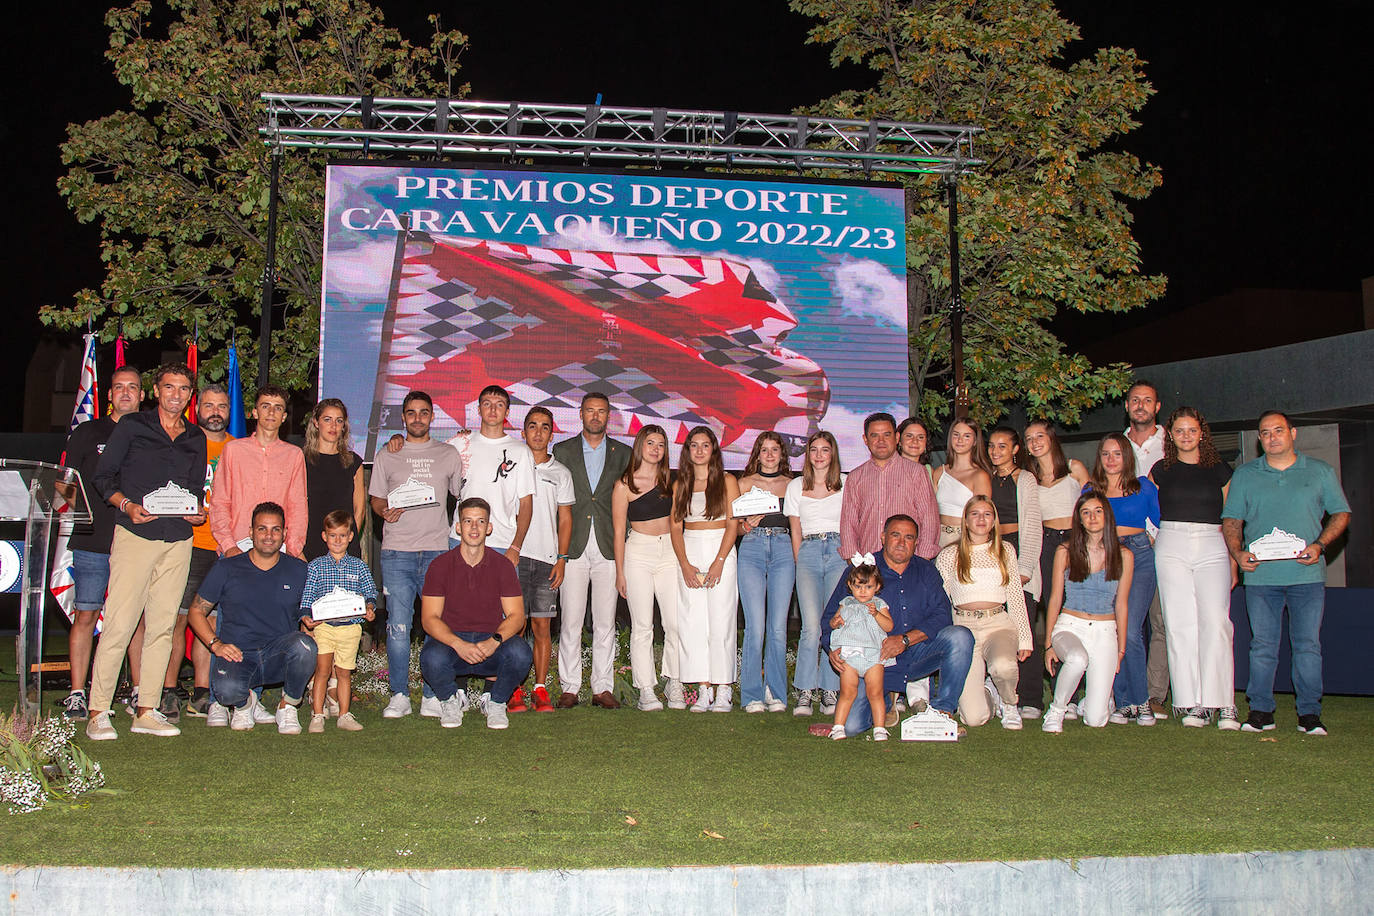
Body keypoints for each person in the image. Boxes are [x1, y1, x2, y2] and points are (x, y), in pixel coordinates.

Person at [85, 363, 206, 741]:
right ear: (156, 390)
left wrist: (196, 513)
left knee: (162, 627)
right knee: (119, 624)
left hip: (177, 540)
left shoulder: (195, 437)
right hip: (136, 535)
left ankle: (146, 710)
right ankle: (98, 711)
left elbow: (193, 491)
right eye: (169, 387)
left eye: (184, 389)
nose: (176, 395)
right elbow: (103, 478)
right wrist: (126, 506)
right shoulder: (133, 426)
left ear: (190, 395)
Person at [1222, 410, 1350, 736]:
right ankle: (1261, 712)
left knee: (1307, 646)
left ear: (1293, 433)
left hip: (1306, 576)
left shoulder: (1320, 471)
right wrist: (1238, 553)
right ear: (1259, 439)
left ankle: (1309, 714)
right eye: (1265, 433)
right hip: (1262, 578)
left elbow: (1341, 514)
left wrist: (1320, 544)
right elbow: (1232, 521)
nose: (1272, 437)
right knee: (1262, 645)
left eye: (1278, 430)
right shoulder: (1246, 475)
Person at [821, 515, 974, 738]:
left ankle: (942, 711)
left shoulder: (926, 570)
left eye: (909, 537)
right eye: (895, 535)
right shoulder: (863, 571)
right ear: (883, 537)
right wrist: (832, 648)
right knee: (852, 726)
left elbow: (942, 615)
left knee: (960, 637)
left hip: (916, 652)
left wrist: (904, 640)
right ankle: (887, 697)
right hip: (874, 661)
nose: (901, 542)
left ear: (916, 543)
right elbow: (829, 619)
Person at [368, 390, 464, 719]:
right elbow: (376, 500)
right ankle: (399, 694)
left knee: (435, 625)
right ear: (404, 417)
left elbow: (461, 493)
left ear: (432, 416)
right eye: (411, 413)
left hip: (438, 550)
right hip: (397, 552)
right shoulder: (387, 454)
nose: (418, 418)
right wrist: (384, 511)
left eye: (424, 413)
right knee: (397, 626)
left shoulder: (448, 453)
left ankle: (432, 695)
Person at [57, 365, 145, 721]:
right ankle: (78, 693)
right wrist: (83, 513)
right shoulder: (88, 432)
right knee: (86, 613)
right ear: (108, 395)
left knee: (138, 619)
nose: (125, 393)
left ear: (142, 395)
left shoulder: (151, 435)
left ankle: (141, 692)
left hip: (138, 540)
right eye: (119, 387)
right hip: (94, 540)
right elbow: (64, 482)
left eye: (133, 388)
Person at [188, 501, 316, 735]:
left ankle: (288, 706)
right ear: (250, 532)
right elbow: (196, 612)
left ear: (285, 533)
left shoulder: (299, 570)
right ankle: (246, 704)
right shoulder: (227, 567)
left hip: (278, 656)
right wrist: (215, 645)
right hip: (238, 656)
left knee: (306, 646)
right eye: (262, 529)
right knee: (226, 690)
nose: (269, 535)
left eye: (276, 529)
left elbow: (313, 612)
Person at [1150, 407, 1239, 729]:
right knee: (1178, 623)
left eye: (1191, 430)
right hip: (1171, 544)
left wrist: (1233, 558)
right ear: (1170, 435)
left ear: (1202, 433)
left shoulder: (1220, 470)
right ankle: (1192, 703)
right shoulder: (1160, 471)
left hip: (1212, 544)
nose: (1186, 436)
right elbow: (1148, 510)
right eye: (1179, 431)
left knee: (1216, 622)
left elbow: (1232, 518)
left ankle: (1224, 703)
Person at [418, 498, 534, 730]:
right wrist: (458, 644)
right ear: (458, 527)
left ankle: (496, 702)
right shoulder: (440, 566)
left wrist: (495, 641)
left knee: (521, 653)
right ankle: (450, 700)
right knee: (431, 657)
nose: (474, 528)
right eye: (468, 521)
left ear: (489, 528)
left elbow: (516, 616)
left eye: (480, 522)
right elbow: (429, 618)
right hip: (453, 645)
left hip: (489, 642)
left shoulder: (502, 566)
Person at [553, 392, 632, 709]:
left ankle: (602, 687)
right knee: (570, 620)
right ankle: (570, 687)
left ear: (609, 416)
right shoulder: (562, 450)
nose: (595, 416)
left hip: (609, 546)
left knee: (605, 621)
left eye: (601, 412)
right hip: (571, 546)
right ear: (581, 414)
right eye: (590, 411)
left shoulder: (624, 453)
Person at [935, 496, 1032, 729]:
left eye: (987, 514)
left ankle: (1009, 703)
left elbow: (1016, 596)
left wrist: (1025, 638)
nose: (981, 519)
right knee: (974, 718)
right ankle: (990, 692)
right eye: (975, 514)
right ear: (965, 521)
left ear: (994, 520)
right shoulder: (949, 555)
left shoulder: (1005, 550)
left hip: (997, 624)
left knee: (1003, 666)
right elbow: (942, 600)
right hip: (964, 629)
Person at [168, 382, 234, 723]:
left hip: (226, 546)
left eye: (222, 406)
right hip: (188, 543)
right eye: (209, 405)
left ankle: (202, 691)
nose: (215, 412)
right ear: (198, 409)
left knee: (209, 620)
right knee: (177, 618)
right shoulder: (184, 445)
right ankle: (166, 690)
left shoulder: (239, 449)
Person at [1042, 491, 1133, 731]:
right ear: (1079, 519)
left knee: (1095, 720)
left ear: (1107, 516)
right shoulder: (1065, 550)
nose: (1092, 517)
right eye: (1086, 512)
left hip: (1105, 630)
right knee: (1076, 658)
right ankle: (1057, 710)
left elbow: (1122, 604)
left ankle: (1096, 701)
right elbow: (1055, 598)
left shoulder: (1124, 556)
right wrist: (1049, 644)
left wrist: (1121, 648)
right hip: (1070, 625)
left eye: (1098, 511)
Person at [1088, 434, 1160, 726]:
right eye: (1106, 454)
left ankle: (1141, 701)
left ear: (1127, 457)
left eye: (1117, 454)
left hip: (1140, 557)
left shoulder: (1144, 487)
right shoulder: (1091, 489)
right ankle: (1123, 701)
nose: (1111, 459)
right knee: (1111, 631)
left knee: (1130, 630)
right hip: (1105, 558)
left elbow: (1160, 523)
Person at [670, 426, 741, 712]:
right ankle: (703, 689)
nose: (699, 451)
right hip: (690, 547)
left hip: (720, 549)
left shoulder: (727, 481)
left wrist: (720, 560)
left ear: (714, 449)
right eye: (694, 445)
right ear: (687, 451)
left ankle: (723, 688)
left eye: (705, 445)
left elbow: (733, 524)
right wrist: (685, 564)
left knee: (722, 620)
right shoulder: (680, 484)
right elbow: (675, 527)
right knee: (693, 622)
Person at [1024, 420, 1091, 719]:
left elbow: (1093, 507)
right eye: (1029, 438)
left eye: (1040, 436)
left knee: (1076, 613)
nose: (1035, 442)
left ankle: (1075, 695)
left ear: (1052, 438)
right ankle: (1049, 690)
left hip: (1077, 541)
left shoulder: (1075, 469)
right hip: (1046, 544)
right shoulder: (1029, 477)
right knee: (1052, 611)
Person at [508, 407, 573, 714]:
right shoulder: (510, 466)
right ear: (522, 432)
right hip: (516, 557)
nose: (537, 432)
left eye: (544, 427)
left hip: (548, 561)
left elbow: (565, 519)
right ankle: (514, 688)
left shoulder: (561, 472)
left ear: (551, 434)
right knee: (515, 626)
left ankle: (540, 688)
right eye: (532, 426)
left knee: (542, 626)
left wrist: (562, 558)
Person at [612, 424, 679, 710]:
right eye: (650, 443)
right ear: (640, 446)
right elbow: (617, 532)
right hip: (637, 553)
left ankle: (675, 681)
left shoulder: (673, 481)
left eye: (661, 444)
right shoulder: (624, 484)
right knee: (642, 626)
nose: (655, 449)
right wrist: (619, 572)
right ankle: (646, 690)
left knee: (675, 623)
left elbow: (679, 523)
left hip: (670, 554)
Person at [208, 385, 308, 559]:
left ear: (284, 416)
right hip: (238, 547)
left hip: (279, 549)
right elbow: (220, 502)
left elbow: (298, 507)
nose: (271, 412)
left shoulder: (294, 455)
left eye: (278, 408)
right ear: (254, 412)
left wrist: (292, 549)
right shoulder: (233, 450)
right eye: (265, 406)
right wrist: (228, 546)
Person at [299, 509, 377, 732]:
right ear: (324, 536)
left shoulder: (359, 566)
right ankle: (317, 715)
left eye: (343, 535)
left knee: (344, 673)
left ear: (351, 536)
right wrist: (306, 617)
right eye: (333, 535)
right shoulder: (315, 566)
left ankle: (344, 714)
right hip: (324, 628)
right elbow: (307, 597)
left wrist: (369, 608)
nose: (338, 540)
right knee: (322, 670)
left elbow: (370, 593)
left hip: (350, 629)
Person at [786, 431, 845, 718]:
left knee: (833, 623)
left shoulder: (846, 484)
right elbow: (795, 529)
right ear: (807, 455)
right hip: (808, 551)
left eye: (825, 450)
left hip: (837, 552)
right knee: (811, 627)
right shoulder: (796, 486)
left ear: (833, 454)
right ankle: (805, 690)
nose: (819, 455)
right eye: (814, 450)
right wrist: (800, 561)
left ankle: (830, 689)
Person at [736, 431, 796, 714]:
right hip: (752, 548)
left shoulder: (793, 485)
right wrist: (746, 525)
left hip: (784, 549)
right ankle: (751, 694)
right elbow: (733, 527)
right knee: (755, 626)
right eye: (764, 450)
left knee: (777, 626)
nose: (770, 455)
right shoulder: (744, 483)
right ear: (756, 454)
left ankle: (776, 690)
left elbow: (799, 525)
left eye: (775, 450)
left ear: (782, 454)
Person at [1122, 379, 1172, 721]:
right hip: (1125, 546)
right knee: (1125, 622)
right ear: (1126, 406)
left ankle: (1155, 694)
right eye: (1134, 400)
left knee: (1160, 621)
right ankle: (1124, 691)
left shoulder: (1172, 442)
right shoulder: (1116, 445)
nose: (1140, 405)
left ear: (1157, 407)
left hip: (1165, 541)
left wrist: (1158, 534)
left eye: (1147, 400)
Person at [987, 426, 1044, 718]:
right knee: (999, 627)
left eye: (1002, 446)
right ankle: (1001, 693)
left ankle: (1031, 698)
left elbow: (1033, 525)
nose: (996, 451)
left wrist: (1025, 568)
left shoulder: (1026, 479)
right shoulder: (988, 479)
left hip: (1019, 553)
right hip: (994, 553)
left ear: (1015, 449)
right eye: (992, 446)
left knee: (1025, 629)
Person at [840, 412, 938, 561]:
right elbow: (849, 523)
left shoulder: (916, 472)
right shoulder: (855, 477)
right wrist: (853, 560)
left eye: (887, 434)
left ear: (897, 437)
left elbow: (929, 518)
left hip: (908, 562)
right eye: (874, 435)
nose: (881, 441)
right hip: (869, 562)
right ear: (865, 440)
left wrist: (921, 559)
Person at [826, 557, 894, 740]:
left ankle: (879, 728)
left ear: (877, 587)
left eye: (868, 587)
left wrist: (877, 614)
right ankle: (838, 726)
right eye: (858, 586)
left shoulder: (879, 604)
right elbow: (833, 622)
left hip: (873, 656)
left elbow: (889, 627)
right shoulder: (846, 603)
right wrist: (836, 621)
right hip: (849, 655)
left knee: (875, 692)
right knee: (848, 691)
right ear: (850, 585)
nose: (863, 591)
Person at [303, 398, 365, 561]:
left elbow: (359, 510)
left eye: (339, 421)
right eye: (327, 419)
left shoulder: (353, 462)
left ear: (344, 426)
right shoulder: (301, 460)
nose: (333, 426)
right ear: (316, 422)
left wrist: (344, 542)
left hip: (344, 548)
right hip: (308, 546)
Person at [931, 419, 993, 549]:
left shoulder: (980, 476)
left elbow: (982, 516)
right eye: (956, 434)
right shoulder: (939, 472)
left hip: (965, 539)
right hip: (938, 539)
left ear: (975, 441)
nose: (960, 440)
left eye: (967, 436)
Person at [897, 417, 934, 481]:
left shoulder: (929, 471)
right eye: (909, 436)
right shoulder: (888, 469)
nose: (915, 441)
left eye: (920, 437)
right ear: (899, 441)